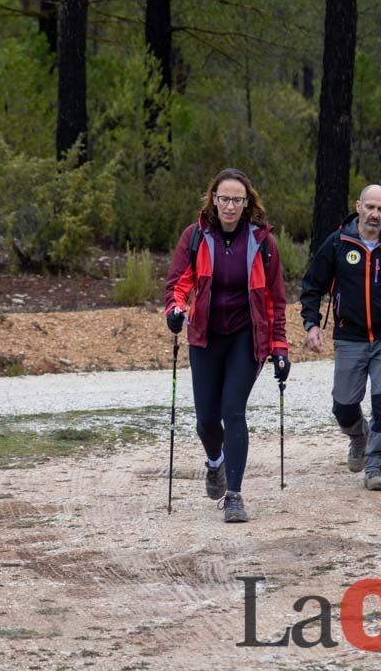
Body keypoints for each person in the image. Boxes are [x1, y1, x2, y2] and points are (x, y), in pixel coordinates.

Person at [164, 168, 290, 523]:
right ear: (213, 200)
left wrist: (279, 346)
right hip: (205, 335)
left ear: (247, 202)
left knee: (233, 410)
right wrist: (175, 311)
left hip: (246, 337)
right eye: (224, 199)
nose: (230, 206)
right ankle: (214, 461)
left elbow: (274, 300)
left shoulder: (263, 242)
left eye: (237, 199)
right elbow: (178, 284)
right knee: (206, 419)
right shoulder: (196, 237)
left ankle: (234, 495)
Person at [300, 184, 381, 491]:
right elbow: (312, 285)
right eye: (370, 207)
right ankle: (359, 437)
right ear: (358, 206)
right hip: (349, 335)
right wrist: (311, 324)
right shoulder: (338, 243)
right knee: (343, 406)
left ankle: (375, 465)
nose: (375, 214)